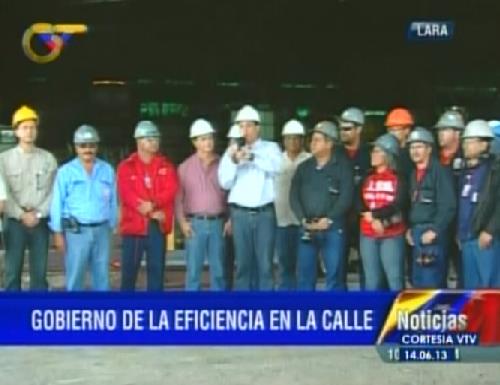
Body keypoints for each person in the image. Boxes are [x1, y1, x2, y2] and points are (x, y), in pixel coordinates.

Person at [218, 105, 281, 290]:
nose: (244, 130)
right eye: (241, 126)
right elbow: (225, 183)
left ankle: (265, 310)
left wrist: (252, 157)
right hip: (240, 214)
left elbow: (277, 167)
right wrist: (234, 161)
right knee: (243, 265)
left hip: (264, 213)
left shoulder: (270, 148)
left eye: (248, 126)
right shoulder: (230, 152)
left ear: (257, 127)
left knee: (265, 265)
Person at [49, 125, 117, 291]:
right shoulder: (65, 172)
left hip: (102, 230)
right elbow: (57, 202)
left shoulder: (107, 170)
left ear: (97, 147)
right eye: (83, 145)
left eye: (92, 145)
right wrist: (57, 233)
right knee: (75, 276)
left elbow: (114, 200)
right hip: (76, 232)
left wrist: (114, 227)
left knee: (102, 277)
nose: (88, 149)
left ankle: (102, 313)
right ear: (75, 147)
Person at [290, 121, 353, 290]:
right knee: (304, 277)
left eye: (317, 140)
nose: (312, 143)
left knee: (334, 277)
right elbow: (293, 196)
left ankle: (335, 314)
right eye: (312, 140)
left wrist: (330, 219)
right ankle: (307, 314)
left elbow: (346, 197)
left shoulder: (342, 167)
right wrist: (302, 219)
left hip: (332, 228)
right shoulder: (303, 168)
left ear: (330, 143)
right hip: (308, 228)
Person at [0, 105, 57, 290]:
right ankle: (13, 314)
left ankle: (36, 312)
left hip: (40, 222)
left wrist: (38, 214)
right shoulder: (4, 160)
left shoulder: (48, 159)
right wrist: (21, 214)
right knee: (12, 273)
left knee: (39, 275)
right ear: (16, 131)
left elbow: (53, 192)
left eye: (33, 127)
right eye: (24, 127)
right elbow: (3, 193)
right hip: (15, 221)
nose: (29, 131)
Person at [117, 121, 178, 291]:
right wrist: (146, 209)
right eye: (150, 139)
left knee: (156, 273)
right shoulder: (125, 167)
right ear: (139, 141)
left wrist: (152, 204)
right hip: (133, 227)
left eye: (156, 139)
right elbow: (126, 193)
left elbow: (170, 190)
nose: (155, 142)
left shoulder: (166, 166)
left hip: (157, 227)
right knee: (129, 274)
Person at [176, 119, 229, 290]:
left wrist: (231, 220)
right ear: (194, 142)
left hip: (218, 223)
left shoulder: (223, 165)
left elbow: (232, 195)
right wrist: (182, 223)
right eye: (203, 139)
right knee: (193, 272)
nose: (208, 142)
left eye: (210, 138)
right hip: (195, 224)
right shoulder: (184, 168)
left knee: (219, 271)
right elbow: (178, 199)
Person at [406, 127, 456, 288]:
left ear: (429, 149)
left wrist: (435, 230)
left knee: (431, 284)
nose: (415, 151)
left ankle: (438, 314)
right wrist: (409, 228)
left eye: (419, 146)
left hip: (433, 234)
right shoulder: (414, 174)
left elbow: (449, 205)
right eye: (412, 147)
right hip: (417, 233)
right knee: (418, 283)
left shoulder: (439, 171)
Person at [359, 134, 407, 290]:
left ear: (388, 155)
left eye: (378, 151)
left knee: (394, 279)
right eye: (373, 151)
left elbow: (399, 204)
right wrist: (372, 218)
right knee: (371, 281)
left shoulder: (399, 179)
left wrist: (377, 216)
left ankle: (398, 313)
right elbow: (357, 200)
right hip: (368, 233)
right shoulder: (367, 176)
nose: (373, 154)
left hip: (391, 235)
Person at [458, 120, 500, 289]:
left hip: (486, 239)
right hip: (467, 238)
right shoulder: (464, 171)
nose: (465, 146)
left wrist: (490, 230)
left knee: (489, 289)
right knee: (471, 291)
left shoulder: (495, 170)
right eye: (464, 141)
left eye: (470, 141)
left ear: (484, 144)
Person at [274, 119, 310, 290]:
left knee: (304, 267)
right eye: (289, 138)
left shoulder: (310, 160)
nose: (293, 142)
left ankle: (303, 306)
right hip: (281, 221)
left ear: (303, 140)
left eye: (297, 138)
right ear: (283, 140)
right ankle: (286, 303)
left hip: (304, 222)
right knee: (285, 266)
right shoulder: (275, 160)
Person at [338, 107, 371, 287]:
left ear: (359, 129)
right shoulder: (335, 153)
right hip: (340, 217)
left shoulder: (370, 154)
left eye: (347, 129)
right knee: (338, 267)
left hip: (363, 218)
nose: (343, 133)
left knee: (368, 267)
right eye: (341, 129)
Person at [434, 109, 466, 288]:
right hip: (439, 222)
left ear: (457, 133)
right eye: (439, 130)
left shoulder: (467, 158)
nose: (440, 134)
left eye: (445, 130)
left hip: (460, 223)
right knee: (437, 272)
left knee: (463, 273)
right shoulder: (434, 159)